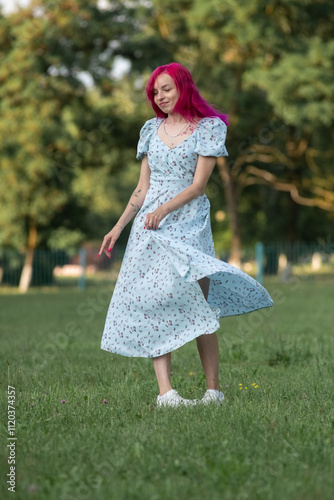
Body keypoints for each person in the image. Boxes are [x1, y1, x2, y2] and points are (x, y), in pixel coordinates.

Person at [99, 62, 274, 408]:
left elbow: (198, 186)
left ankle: (213, 391)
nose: (160, 96)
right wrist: (118, 227)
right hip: (148, 228)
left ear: (183, 87)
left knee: (199, 302)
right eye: (155, 92)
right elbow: (142, 188)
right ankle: (166, 393)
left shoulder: (207, 129)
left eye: (166, 89)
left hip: (188, 223)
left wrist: (164, 210)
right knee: (153, 302)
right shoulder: (151, 129)